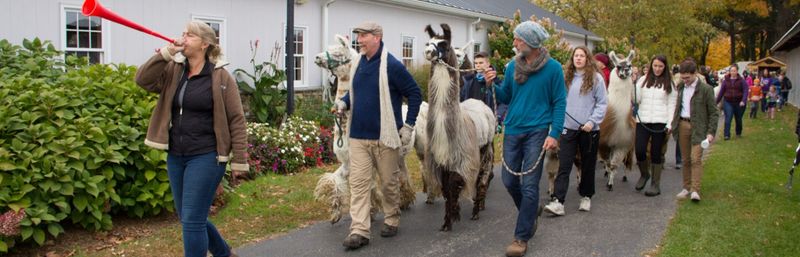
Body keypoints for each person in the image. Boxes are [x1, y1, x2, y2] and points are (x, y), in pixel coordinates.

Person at [134, 21, 246, 257]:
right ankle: (224, 253)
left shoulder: (221, 77)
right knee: (189, 216)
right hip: (177, 154)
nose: (183, 38)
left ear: (205, 44)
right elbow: (142, 80)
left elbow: (237, 119)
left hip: (208, 155)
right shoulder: (175, 71)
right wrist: (165, 54)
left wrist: (240, 160)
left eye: (190, 36)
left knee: (192, 220)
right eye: (183, 33)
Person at [333, 21, 422, 250]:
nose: (359, 40)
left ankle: (392, 217)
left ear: (377, 37)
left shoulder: (391, 65)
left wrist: (409, 126)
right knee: (359, 184)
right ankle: (359, 230)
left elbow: (414, 93)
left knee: (388, 184)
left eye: (363, 36)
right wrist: (343, 103)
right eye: (358, 36)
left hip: (386, 138)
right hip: (358, 137)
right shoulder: (358, 65)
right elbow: (356, 94)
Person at [486, 20, 566, 257]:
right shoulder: (512, 67)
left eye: (518, 39)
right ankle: (530, 212)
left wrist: (554, 133)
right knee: (509, 182)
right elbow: (506, 96)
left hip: (537, 131)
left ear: (530, 42)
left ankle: (521, 238)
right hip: (512, 129)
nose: (514, 42)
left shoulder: (553, 69)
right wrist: (493, 84)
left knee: (530, 185)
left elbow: (559, 102)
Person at [544, 46, 606, 215]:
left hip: (588, 129)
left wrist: (592, 122)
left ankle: (586, 196)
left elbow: (602, 104)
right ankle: (558, 201)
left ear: (587, 58)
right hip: (568, 128)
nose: (578, 58)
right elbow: (557, 100)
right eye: (576, 56)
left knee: (587, 164)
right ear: (572, 59)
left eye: (582, 56)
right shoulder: (565, 79)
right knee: (564, 165)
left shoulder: (596, 79)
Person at [629, 55, 677, 197]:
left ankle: (655, 184)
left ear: (665, 67)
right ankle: (645, 174)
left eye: (660, 66)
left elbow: (672, 105)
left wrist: (669, 123)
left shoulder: (670, 84)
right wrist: (632, 84)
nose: (657, 69)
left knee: (656, 153)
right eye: (655, 66)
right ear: (651, 66)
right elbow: (636, 99)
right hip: (643, 120)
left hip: (660, 121)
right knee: (639, 150)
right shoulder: (643, 81)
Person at [672, 59, 719, 202]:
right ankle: (686, 187)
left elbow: (714, 112)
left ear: (695, 74)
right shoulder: (680, 87)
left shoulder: (706, 89)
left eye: (687, 77)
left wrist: (711, 132)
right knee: (685, 159)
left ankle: (695, 190)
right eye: (682, 77)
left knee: (695, 159)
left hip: (699, 128)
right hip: (682, 125)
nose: (685, 80)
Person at [716, 65, 749, 140]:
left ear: (737, 71)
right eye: (731, 71)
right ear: (729, 72)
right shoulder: (725, 81)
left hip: (739, 102)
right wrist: (716, 102)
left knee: (738, 119)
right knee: (728, 118)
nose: (733, 72)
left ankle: (738, 133)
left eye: (734, 71)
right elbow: (721, 92)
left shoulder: (742, 81)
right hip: (728, 102)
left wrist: (743, 101)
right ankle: (726, 135)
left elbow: (745, 91)